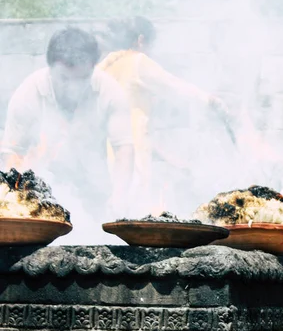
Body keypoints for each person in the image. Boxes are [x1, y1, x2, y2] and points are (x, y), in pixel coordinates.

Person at [0, 27, 134, 233]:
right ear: (50, 67)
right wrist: (16, 202)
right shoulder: (28, 93)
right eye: (64, 78)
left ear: (92, 67)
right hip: (42, 196)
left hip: (96, 190)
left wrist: (120, 195)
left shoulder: (110, 91)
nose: (73, 87)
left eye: (82, 79)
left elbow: (123, 147)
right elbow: (12, 152)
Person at [97, 17, 232, 213]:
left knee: (114, 205)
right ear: (141, 40)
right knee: (132, 206)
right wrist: (209, 100)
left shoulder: (106, 66)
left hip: (107, 148)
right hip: (131, 148)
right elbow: (174, 86)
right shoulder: (137, 61)